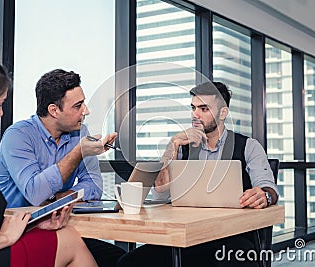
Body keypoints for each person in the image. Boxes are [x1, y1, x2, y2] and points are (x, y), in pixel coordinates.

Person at [117, 81, 279, 267]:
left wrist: (264, 195)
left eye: (204, 109)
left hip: (231, 237)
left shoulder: (248, 146)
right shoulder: (182, 148)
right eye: (193, 108)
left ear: (223, 113)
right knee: (129, 262)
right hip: (187, 236)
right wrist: (172, 145)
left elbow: (269, 188)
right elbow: (160, 193)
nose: (195, 114)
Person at [0, 52, 96, 267]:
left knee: (73, 238)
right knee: (70, 241)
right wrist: (5, 238)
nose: (1, 114)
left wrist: (32, 224)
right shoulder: (11, 137)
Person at [0, 69, 125, 266]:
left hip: (57, 225)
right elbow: (35, 193)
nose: (86, 111)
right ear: (54, 110)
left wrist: (58, 198)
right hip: (15, 231)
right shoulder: (18, 136)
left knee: (119, 259)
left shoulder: (79, 133)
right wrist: (78, 152)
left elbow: (95, 186)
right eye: (78, 106)